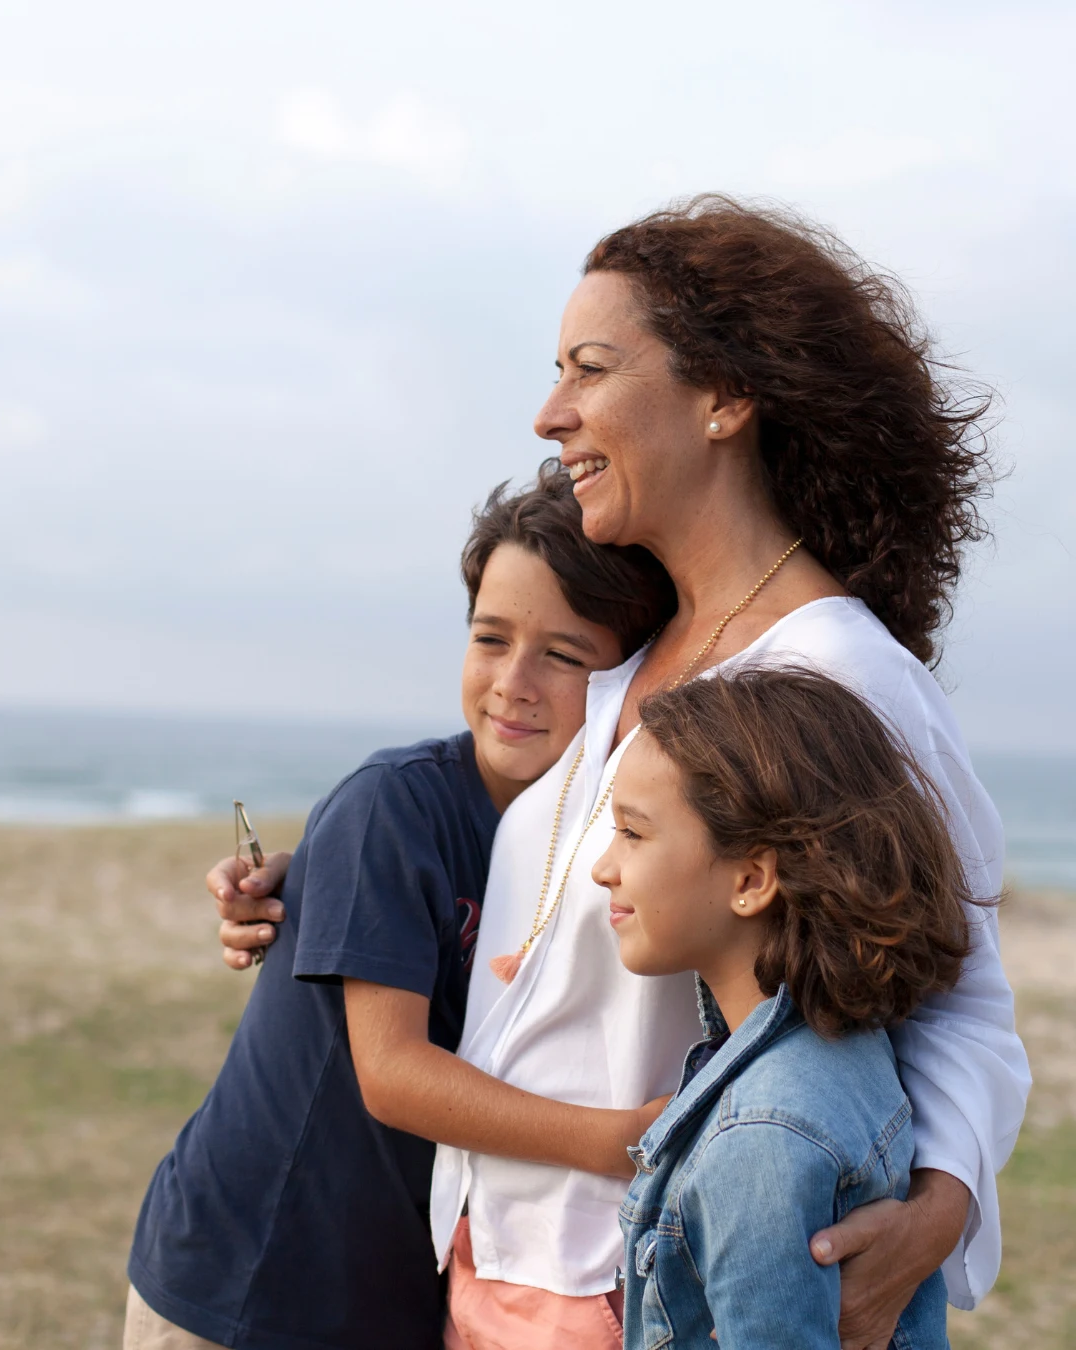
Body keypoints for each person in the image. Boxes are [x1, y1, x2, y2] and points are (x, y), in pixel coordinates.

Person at [220, 196, 1030, 1349]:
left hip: (647, 1288)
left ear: (724, 398)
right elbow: (556, 889)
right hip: (493, 1265)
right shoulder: (626, 655)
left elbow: (964, 995)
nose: (552, 414)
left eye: (590, 371)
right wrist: (326, 884)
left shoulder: (839, 671)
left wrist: (937, 1209)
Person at [124, 464, 676, 1350]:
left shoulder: (607, 848)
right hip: (248, 1281)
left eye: (565, 655)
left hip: (401, 1297)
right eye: (491, 638)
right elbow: (393, 1074)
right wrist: (621, 1142)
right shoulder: (392, 808)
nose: (514, 682)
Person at [601, 667, 978, 1349]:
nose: (604, 866)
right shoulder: (848, 1041)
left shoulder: (762, 1141)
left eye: (632, 832)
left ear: (750, 880)